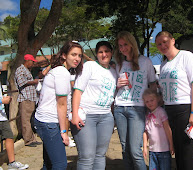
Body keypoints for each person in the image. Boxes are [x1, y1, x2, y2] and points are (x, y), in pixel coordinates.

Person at [155, 31, 193, 170]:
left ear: (172, 40)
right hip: (171, 109)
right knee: (177, 150)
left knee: (187, 151)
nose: (163, 45)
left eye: (165, 41)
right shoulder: (164, 65)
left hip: (187, 108)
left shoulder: (186, 56)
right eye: (159, 44)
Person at [34, 41, 83, 170]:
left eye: (79, 55)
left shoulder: (59, 71)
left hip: (45, 120)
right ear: (64, 55)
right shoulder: (62, 73)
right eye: (73, 54)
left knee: (49, 163)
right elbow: (61, 104)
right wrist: (64, 132)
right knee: (60, 164)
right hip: (49, 122)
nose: (77, 58)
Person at [114, 31, 156, 170]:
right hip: (120, 107)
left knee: (135, 150)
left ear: (132, 44)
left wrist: (153, 106)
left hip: (137, 108)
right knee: (125, 148)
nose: (123, 48)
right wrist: (118, 85)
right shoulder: (118, 64)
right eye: (120, 46)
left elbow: (152, 84)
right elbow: (114, 88)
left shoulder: (145, 62)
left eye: (125, 44)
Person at [71, 41, 117, 170]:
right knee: (86, 156)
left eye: (107, 51)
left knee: (100, 155)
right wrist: (75, 115)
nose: (104, 54)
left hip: (106, 117)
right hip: (87, 116)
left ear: (111, 53)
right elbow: (77, 91)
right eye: (100, 52)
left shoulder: (114, 71)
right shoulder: (89, 66)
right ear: (96, 54)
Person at [0, 63, 29, 170]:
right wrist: (2, 100)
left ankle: (12, 162)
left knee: (9, 137)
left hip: (2, 117)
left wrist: (4, 98)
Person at [142, 89, 174, 170]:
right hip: (152, 150)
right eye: (147, 101)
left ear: (157, 99)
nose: (150, 103)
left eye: (152, 100)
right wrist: (145, 147)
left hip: (164, 149)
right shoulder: (147, 114)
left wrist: (171, 144)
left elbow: (167, 128)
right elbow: (145, 132)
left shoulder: (161, 112)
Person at [14, 54, 41, 147]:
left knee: (30, 119)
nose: (33, 64)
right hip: (25, 98)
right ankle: (28, 140)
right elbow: (22, 82)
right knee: (25, 120)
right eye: (32, 62)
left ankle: (32, 138)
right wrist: (34, 81)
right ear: (28, 61)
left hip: (31, 98)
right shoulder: (20, 70)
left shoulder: (27, 70)